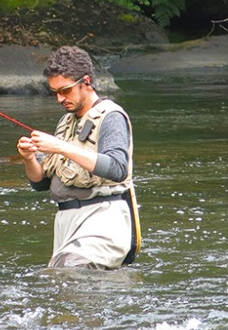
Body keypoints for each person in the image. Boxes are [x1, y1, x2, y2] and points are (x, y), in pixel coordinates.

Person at [17, 46, 140, 270]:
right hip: (67, 224)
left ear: (85, 81)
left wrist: (61, 147)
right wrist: (29, 159)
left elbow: (117, 168)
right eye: (54, 92)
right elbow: (41, 183)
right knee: (63, 286)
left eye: (65, 91)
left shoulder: (111, 116)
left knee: (70, 276)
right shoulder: (66, 122)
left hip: (102, 219)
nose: (59, 99)